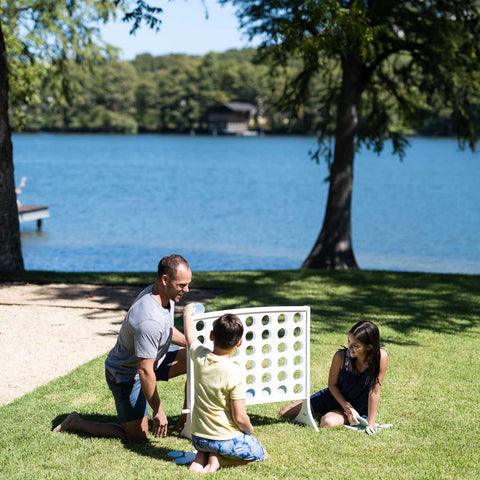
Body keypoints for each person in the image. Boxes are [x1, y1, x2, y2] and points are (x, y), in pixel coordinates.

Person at [53, 254, 192, 440]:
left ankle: (186, 419)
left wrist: (193, 343)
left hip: (151, 359)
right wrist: (158, 411)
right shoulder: (148, 319)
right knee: (136, 437)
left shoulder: (163, 294)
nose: (187, 289)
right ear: (165, 280)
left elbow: (165, 328)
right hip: (126, 374)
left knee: (196, 358)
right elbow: (144, 370)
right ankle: (76, 422)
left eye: (187, 284)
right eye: (182, 285)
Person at [183, 305, 267, 473]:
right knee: (261, 455)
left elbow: (190, 337)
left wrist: (186, 313)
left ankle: (202, 456)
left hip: (199, 437)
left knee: (207, 445)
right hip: (223, 439)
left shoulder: (200, 357)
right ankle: (219, 460)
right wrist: (249, 430)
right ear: (239, 342)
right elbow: (239, 417)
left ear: (211, 335)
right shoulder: (235, 372)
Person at [280, 320, 388, 434]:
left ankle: (336, 414)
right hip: (333, 397)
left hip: (357, 406)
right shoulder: (341, 356)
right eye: (349, 341)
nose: (349, 347)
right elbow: (332, 385)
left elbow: (374, 391)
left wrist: (370, 424)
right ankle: (324, 410)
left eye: (356, 345)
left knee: (327, 422)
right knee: (284, 412)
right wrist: (347, 408)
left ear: (369, 347)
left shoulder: (381, 358)